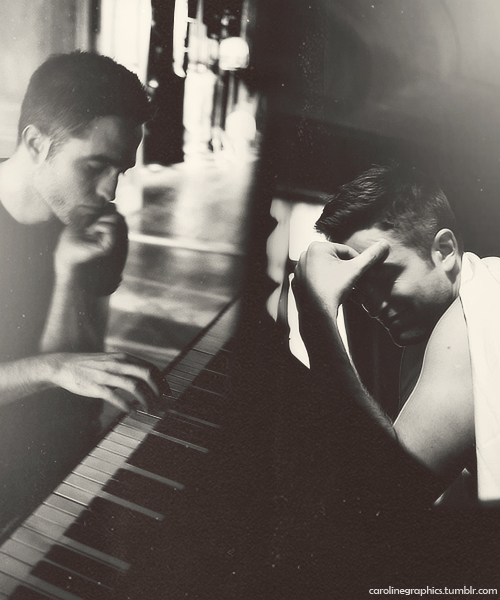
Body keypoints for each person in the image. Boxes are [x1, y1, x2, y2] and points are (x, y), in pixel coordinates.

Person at [0, 52, 168, 529]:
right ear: (36, 144)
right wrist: (54, 368)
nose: (110, 192)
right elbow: (61, 368)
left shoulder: (97, 225)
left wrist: (69, 274)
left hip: (54, 450)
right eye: (94, 166)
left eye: (121, 170)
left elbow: (79, 367)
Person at [292, 163, 500, 508]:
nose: (372, 306)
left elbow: (386, 495)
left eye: (384, 276)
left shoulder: (469, 316)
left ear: (445, 250)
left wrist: (317, 319)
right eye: (360, 289)